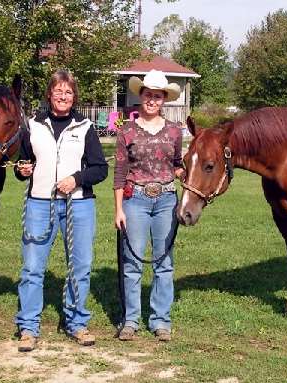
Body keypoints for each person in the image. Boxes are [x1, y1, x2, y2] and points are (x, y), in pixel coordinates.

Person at [14, 70, 108, 351]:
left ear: (74, 97)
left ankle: (77, 322)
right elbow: (22, 165)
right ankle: (28, 327)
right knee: (32, 268)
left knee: (79, 267)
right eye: (58, 91)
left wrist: (76, 179)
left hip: (78, 205)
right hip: (40, 204)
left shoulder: (85, 127)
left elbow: (100, 169)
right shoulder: (32, 126)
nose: (63, 97)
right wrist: (23, 169)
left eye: (68, 92)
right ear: (50, 95)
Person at [113, 70, 185, 342]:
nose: (152, 100)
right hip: (135, 200)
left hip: (167, 200)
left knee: (164, 263)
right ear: (140, 96)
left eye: (157, 96)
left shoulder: (175, 132)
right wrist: (118, 209)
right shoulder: (126, 131)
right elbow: (120, 172)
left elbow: (177, 166)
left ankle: (160, 320)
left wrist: (187, 176)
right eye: (148, 95)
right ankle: (131, 319)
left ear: (164, 99)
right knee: (132, 262)